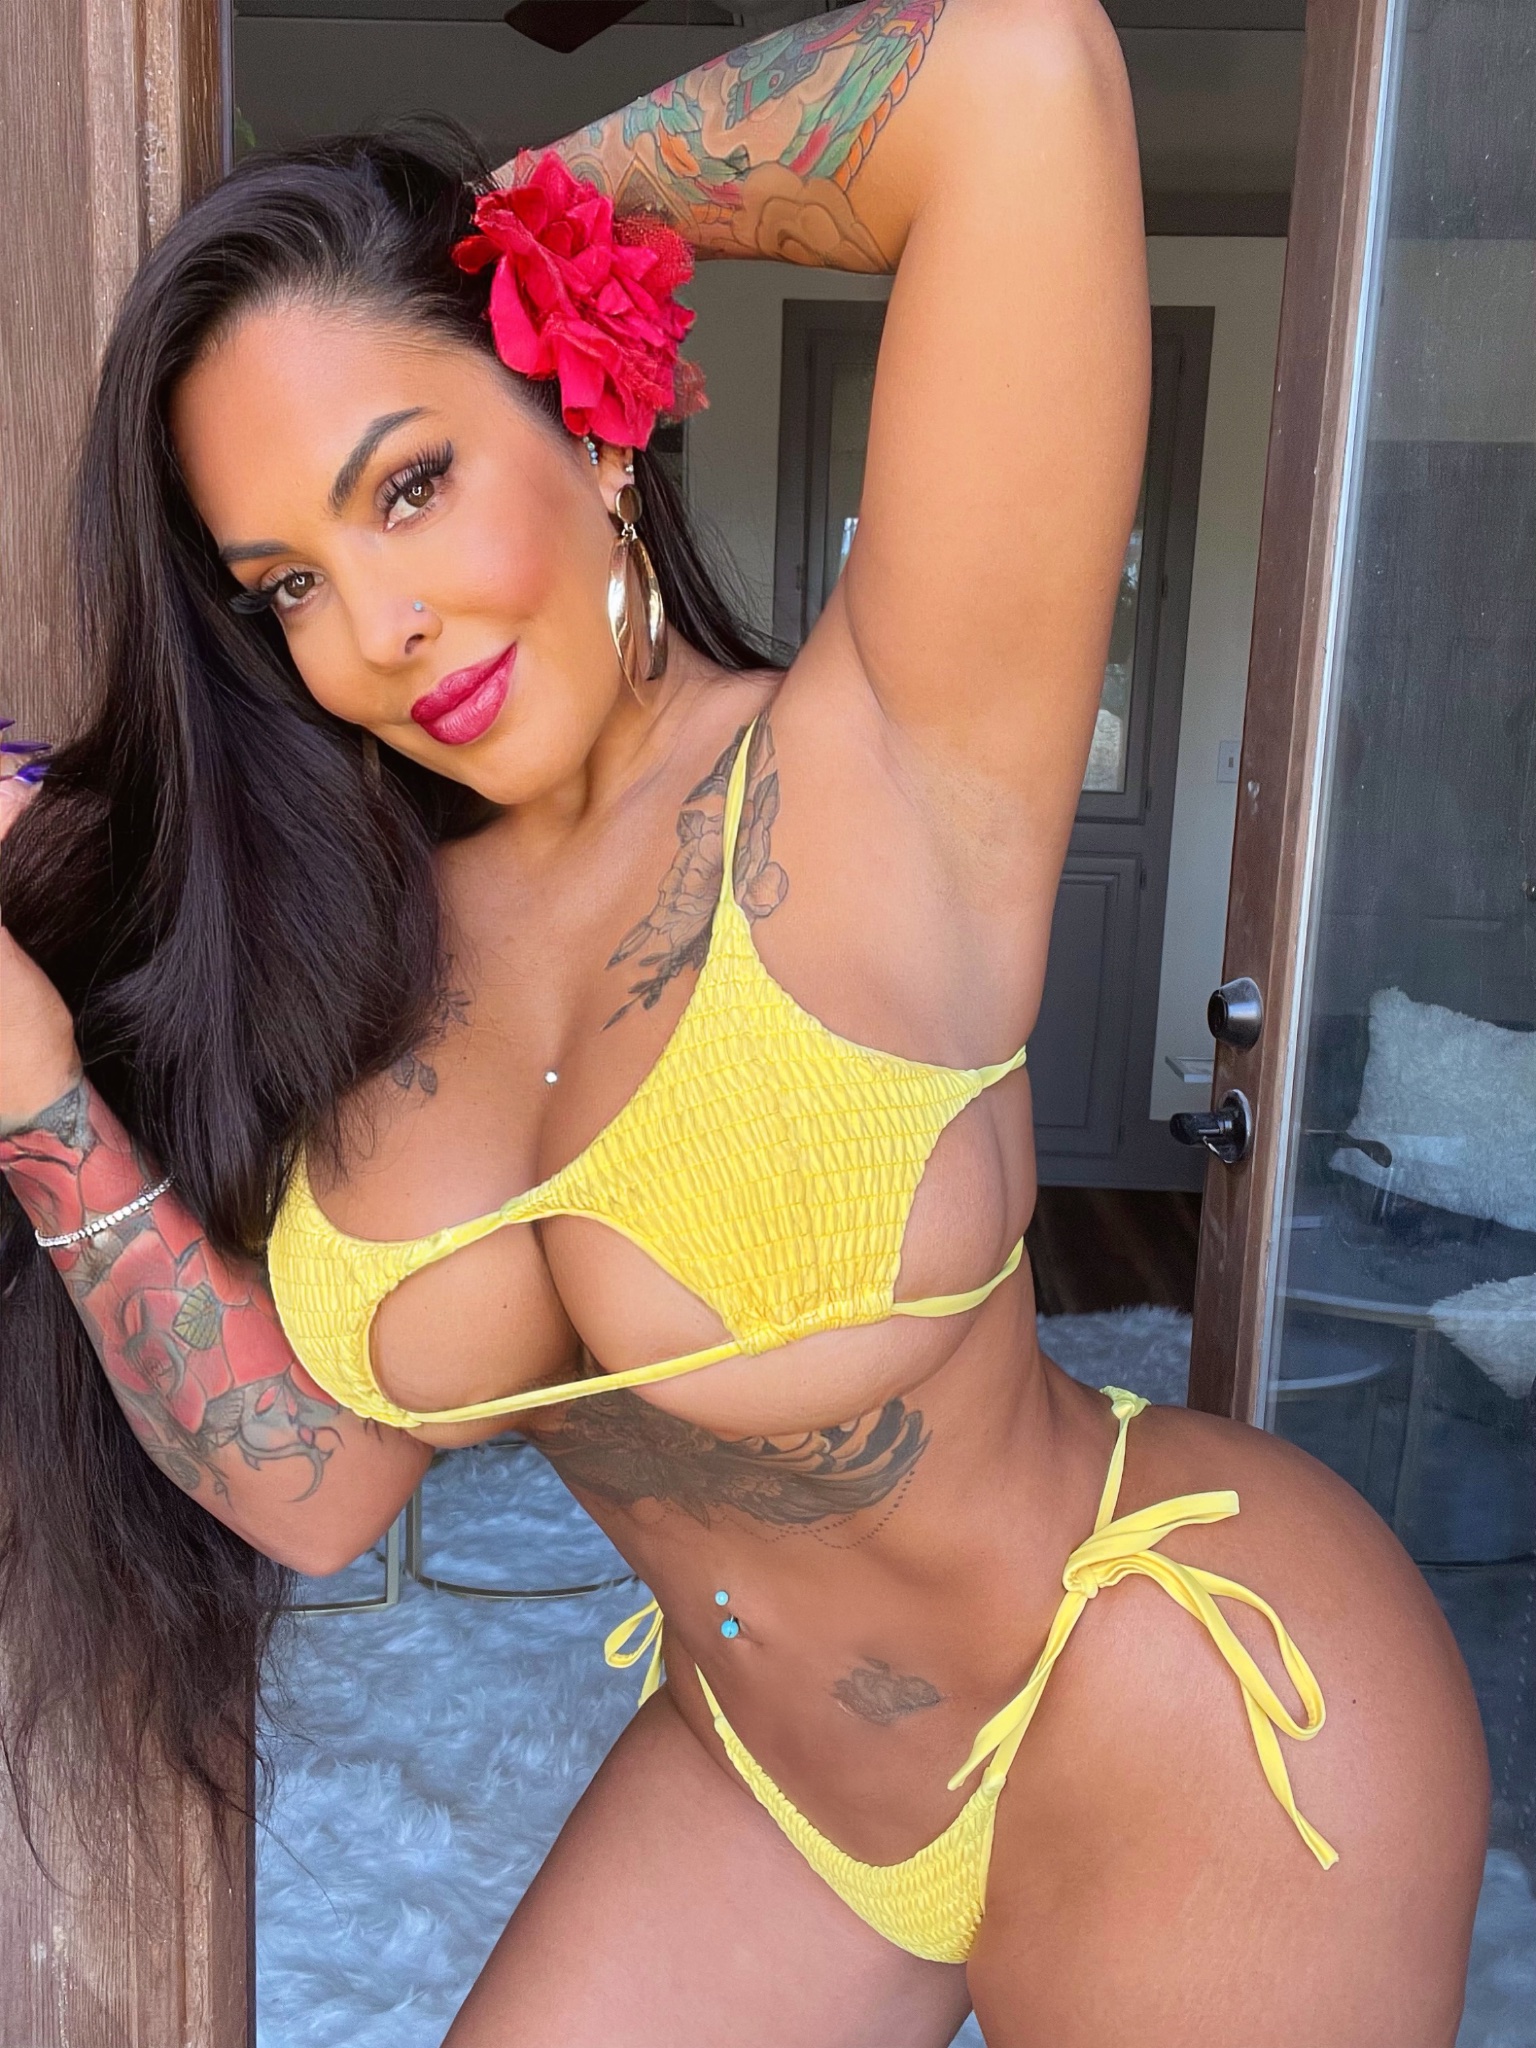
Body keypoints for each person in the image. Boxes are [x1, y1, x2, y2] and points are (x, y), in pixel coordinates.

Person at [0, 2, 1490, 2039]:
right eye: (287, 587)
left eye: (412, 483)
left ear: (589, 426)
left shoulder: (887, 753)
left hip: (1170, 1706)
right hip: (772, 1777)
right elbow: (320, 1488)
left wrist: (523, 235)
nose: (378, 629)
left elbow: (1014, 73)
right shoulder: (356, 948)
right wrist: (42, 1094)